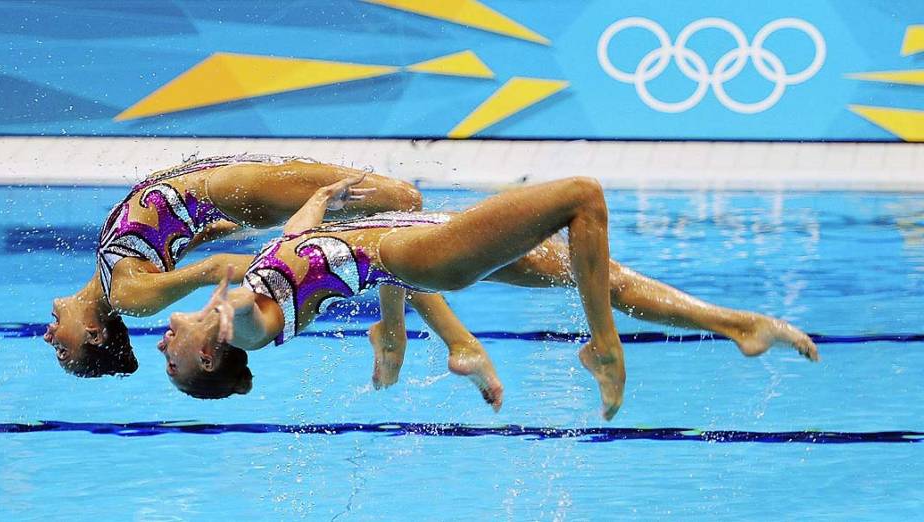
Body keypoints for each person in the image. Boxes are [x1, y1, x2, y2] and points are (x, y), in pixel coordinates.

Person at [158, 174, 819, 420]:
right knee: (580, 198)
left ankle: (739, 326)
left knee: (601, 274)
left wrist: (320, 200)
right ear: (212, 355)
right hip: (421, 256)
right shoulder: (242, 326)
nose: (163, 341)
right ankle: (606, 351)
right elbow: (245, 307)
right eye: (172, 359)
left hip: (413, 244)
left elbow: (297, 239)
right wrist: (222, 298)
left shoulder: (247, 303)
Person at [43, 154, 422, 377]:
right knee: (403, 203)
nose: (48, 338)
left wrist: (241, 225)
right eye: (62, 350)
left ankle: (393, 328)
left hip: (233, 190)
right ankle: (400, 332)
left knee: (391, 215)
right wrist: (296, 263)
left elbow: (181, 237)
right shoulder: (127, 298)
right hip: (233, 189)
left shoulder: (112, 275)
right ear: (94, 334)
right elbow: (213, 269)